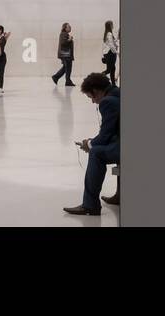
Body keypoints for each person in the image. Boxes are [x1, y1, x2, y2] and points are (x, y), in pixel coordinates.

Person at [62, 73, 120, 216]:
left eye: (91, 97)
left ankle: (90, 205)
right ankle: (120, 195)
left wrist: (89, 144)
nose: (93, 102)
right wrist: (94, 142)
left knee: (96, 154)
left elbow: (106, 134)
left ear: (97, 90)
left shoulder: (108, 102)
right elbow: (113, 132)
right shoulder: (118, 93)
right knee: (102, 148)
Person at [51, 22, 75, 87]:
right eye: (69, 27)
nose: (70, 28)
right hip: (65, 54)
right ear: (65, 28)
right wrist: (70, 39)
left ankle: (56, 77)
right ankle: (67, 81)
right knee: (68, 68)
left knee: (66, 68)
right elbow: (63, 43)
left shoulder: (65, 34)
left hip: (66, 54)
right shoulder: (63, 34)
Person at [102, 20, 119, 86]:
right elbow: (111, 45)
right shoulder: (109, 34)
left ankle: (113, 84)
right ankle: (99, 77)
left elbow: (112, 42)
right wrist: (116, 52)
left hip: (108, 53)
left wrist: (116, 39)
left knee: (112, 68)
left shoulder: (107, 33)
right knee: (109, 69)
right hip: (110, 53)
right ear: (110, 26)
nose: (113, 25)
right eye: (112, 24)